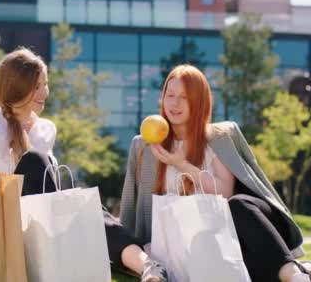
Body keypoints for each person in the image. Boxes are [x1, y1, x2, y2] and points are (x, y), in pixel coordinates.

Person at [0, 47, 168, 281]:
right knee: (35, 161)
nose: (44, 92)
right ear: (16, 86)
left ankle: (148, 268)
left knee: (93, 215)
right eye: (36, 86)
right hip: (13, 229)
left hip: (49, 222)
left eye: (46, 84)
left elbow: (49, 186)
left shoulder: (46, 129)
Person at [120, 64, 308, 282]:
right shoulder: (147, 146)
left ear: (199, 101)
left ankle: (294, 275)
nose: (175, 103)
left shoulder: (217, 138)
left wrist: (183, 165)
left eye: (184, 97)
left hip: (228, 234)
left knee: (239, 204)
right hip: (185, 241)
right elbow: (137, 207)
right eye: (170, 95)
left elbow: (225, 193)